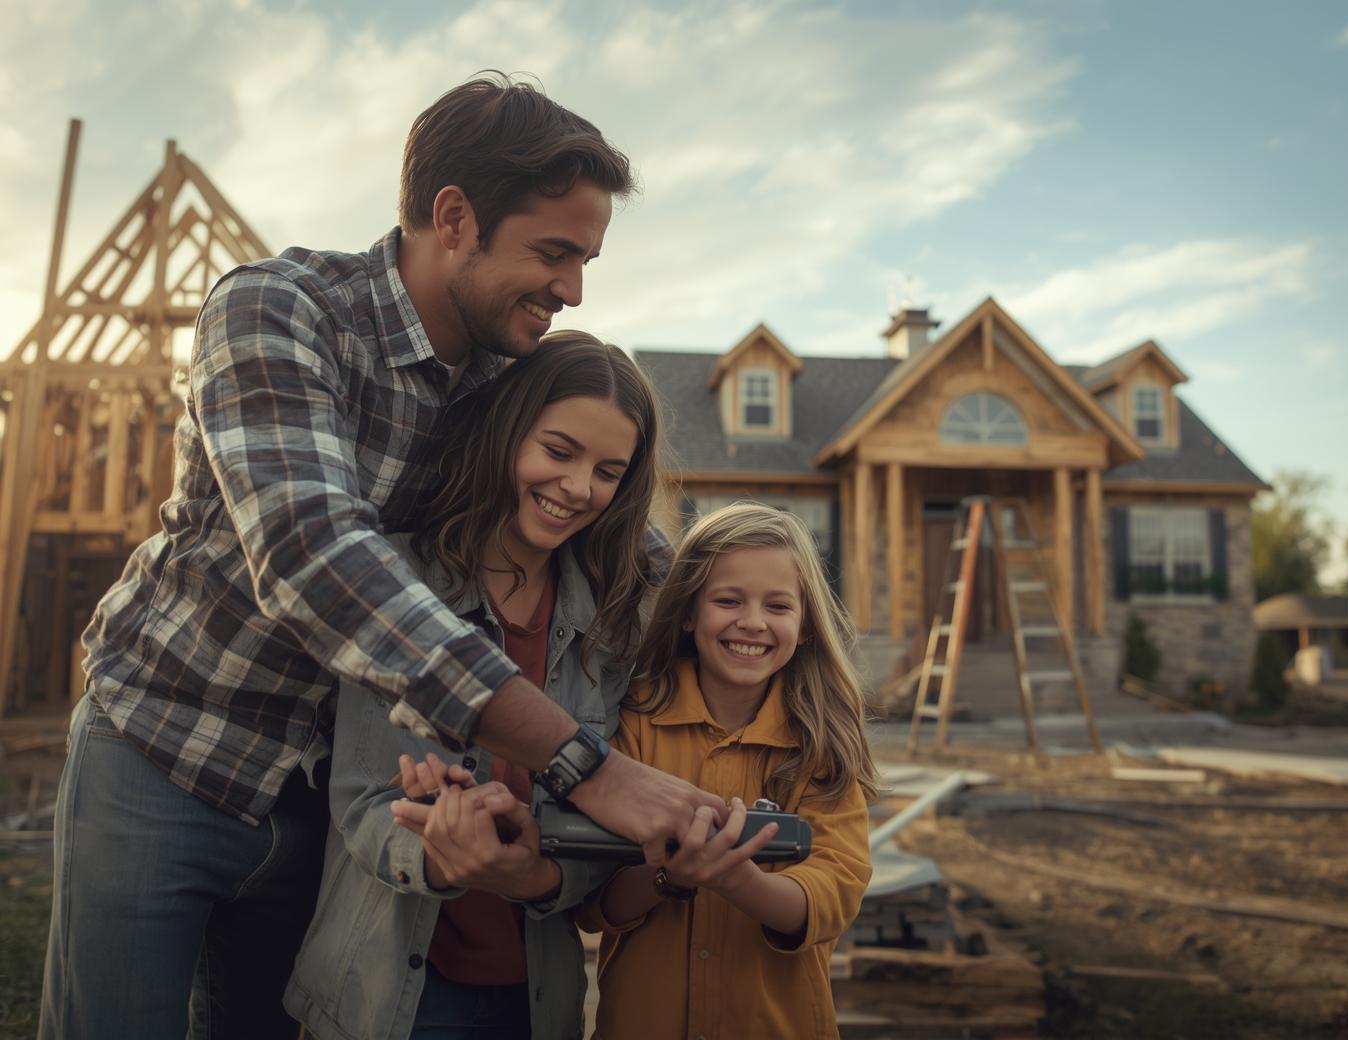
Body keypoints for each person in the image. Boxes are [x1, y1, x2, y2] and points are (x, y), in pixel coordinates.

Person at [40, 74, 721, 1040]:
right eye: (554, 253)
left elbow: (616, 538)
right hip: (166, 754)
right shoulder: (279, 310)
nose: (572, 291)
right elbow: (312, 553)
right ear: (454, 218)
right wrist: (586, 766)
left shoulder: (504, 378)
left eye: (585, 260)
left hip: (324, 801)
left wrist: (744, 603)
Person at [286, 332, 659, 1040]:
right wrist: (436, 847)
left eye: (608, 471)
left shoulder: (608, 626)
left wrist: (534, 877)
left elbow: (604, 829)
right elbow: (362, 801)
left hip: (535, 999)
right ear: (507, 431)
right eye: (558, 452)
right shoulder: (396, 583)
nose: (579, 488)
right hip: (386, 993)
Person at [578, 503, 881, 1039]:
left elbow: (833, 894)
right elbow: (593, 902)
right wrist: (671, 878)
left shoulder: (820, 743)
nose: (753, 622)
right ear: (689, 611)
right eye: (728, 600)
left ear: (807, 623)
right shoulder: (634, 722)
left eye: (778, 605)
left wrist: (735, 880)